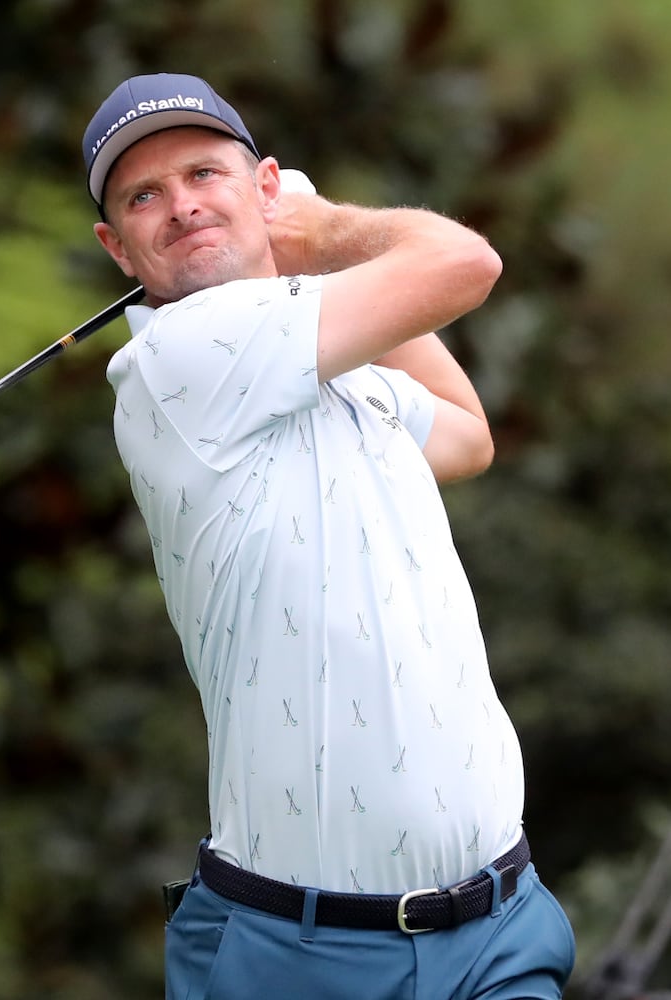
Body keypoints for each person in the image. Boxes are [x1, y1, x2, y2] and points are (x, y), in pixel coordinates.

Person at [81, 73, 576, 999]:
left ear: (263, 186)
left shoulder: (341, 372)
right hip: (299, 957)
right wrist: (327, 229)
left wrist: (313, 261)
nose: (183, 206)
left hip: (498, 928)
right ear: (117, 247)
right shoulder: (176, 363)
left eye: (204, 173)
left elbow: (467, 436)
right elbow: (465, 264)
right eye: (144, 196)